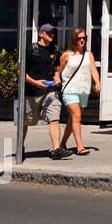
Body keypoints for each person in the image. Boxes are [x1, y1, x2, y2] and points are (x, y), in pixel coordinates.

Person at [23, 24, 65, 159]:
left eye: (53, 32)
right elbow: (20, 72)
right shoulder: (31, 49)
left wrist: (57, 77)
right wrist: (35, 82)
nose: (52, 35)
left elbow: (56, 69)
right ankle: (20, 146)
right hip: (31, 92)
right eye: (49, 32)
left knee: (54, 118)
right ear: (41, 34)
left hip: (49, 91)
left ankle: (56, 149)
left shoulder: (55, 49)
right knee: (26, 122)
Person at [56, 29, 100, 156]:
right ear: (74, 39)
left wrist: (97, 83)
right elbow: (58, 71)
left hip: (83, 90)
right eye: (79, 38)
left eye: (84, 38)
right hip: (69, 90)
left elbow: (93, 70)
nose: (82, 40)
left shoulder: (88, 55)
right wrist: (57, 78)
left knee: (73, 119)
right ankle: (80, 147)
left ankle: (63, 143)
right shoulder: (66, 55)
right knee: (77, 117)